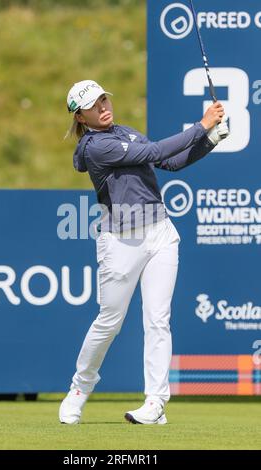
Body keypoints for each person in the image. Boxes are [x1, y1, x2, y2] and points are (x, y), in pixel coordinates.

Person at [59, 80, 229, 425]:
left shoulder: (126, 132)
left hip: (160, 234)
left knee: (157, 319)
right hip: (120, 242)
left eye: (105, 98)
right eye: (94, 105)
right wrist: (202, 125)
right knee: (110, 322)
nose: (103, 106)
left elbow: (171, 162)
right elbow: (153, 153)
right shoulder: (94, 146)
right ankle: (79, 388)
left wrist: (210, 140)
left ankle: (155, 402)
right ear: (81, 116)